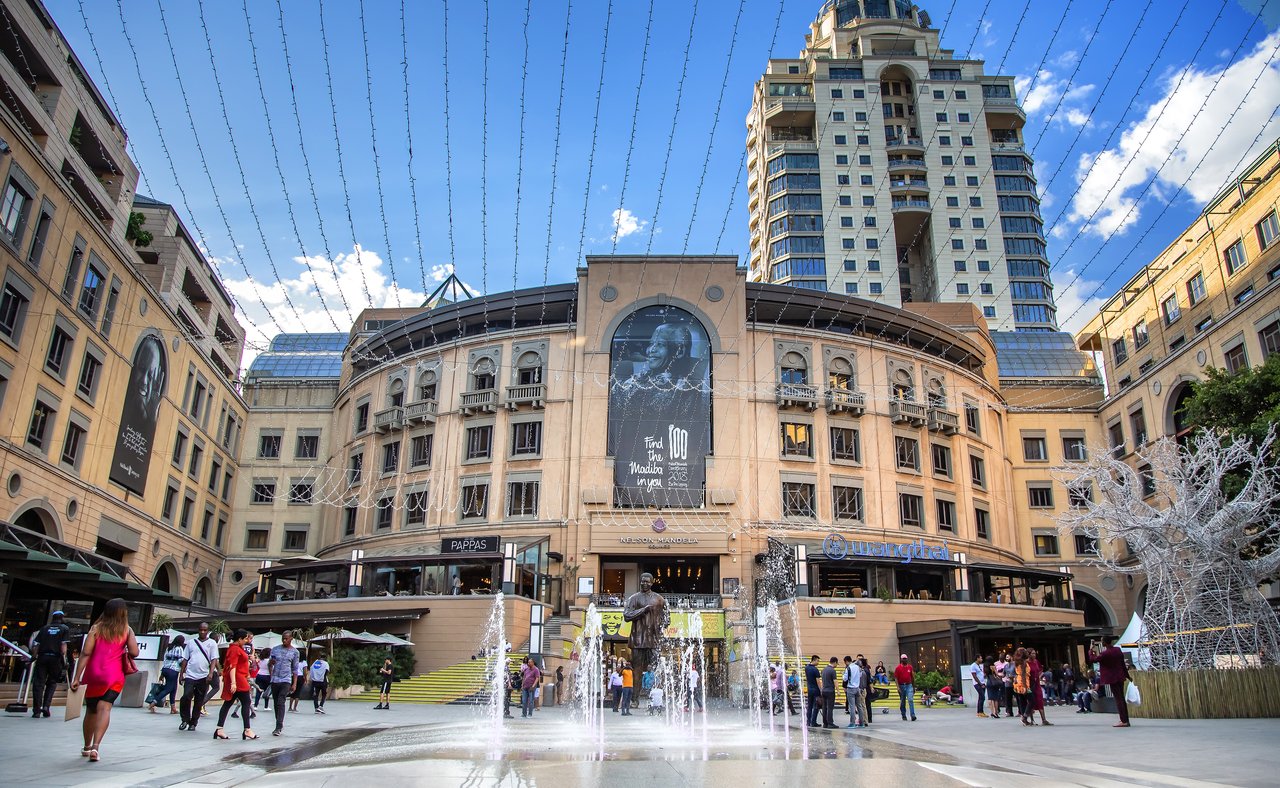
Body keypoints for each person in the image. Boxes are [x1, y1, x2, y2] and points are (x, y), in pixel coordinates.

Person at [69, 598, 138, 763]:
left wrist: (77, 677)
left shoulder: (96, 629)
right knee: (105, 709)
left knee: (91, 710)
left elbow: (85, 653)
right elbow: (134, 652)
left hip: (93, 675)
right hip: (113, 676)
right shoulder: (127, 630)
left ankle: (86, 747)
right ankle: (96, 747)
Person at [214, 629, 258, 741]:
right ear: (240, 639)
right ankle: (247, 729)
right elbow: (232, 666)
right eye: (246, 638)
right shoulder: (234, 649)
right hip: (238, 679)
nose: (247, 640)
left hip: (239, 678)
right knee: (246, 702)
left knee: (228, 703)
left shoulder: (236, 648)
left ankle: (220, 729)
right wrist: (234, 682)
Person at [622, 573, 668, 682]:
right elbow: (627, 615)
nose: (644, 584)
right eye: (642, 581)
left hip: (653, 639)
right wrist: (643, 610)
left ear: (652, 583)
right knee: (637, 669)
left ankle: (657, 695)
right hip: (638, 639)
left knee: (657, 666)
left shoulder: (659, 599)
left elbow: (667, 619)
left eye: (647, 581)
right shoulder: (634, 598)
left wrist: (659, 626)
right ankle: (635, 698)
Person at [29, 610, 70, 719]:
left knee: (38, 683)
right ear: (61, 618)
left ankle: (36, 710)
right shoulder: (64, 629)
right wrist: (65, 661)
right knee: (52, 683)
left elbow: (36, 644)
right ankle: (46, 706)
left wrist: (34, 656)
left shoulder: (44, 628)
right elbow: (63, 646)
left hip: (42, 657)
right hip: (55, 659)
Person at [179, 622, 219, 732]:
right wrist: (181, 673)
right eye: (201, 630)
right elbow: (185, 659)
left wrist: (211, 673)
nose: (202, 632)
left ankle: (193, 722)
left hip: (203, 676)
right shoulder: (191, 643)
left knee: (199, 700)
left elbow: (214, 659)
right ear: (198, 630)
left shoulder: (212, 643)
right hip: (191, 675)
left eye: (205, 630)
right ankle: (184, 719)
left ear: (208, 631)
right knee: (186, 696)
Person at [1088, 635, 1131, 728]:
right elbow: (1122, 664)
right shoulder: (1117, 650)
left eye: (1102, 641)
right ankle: (1125, 719)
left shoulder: (1105, 654)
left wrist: (1091, 650)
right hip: (1120, 676)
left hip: (1112, 678)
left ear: (1104, 643)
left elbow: (1093, 659)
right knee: (1121, 698)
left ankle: (1123, 721)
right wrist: (1127, 675)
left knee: (1118, 699)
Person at [267, 630, 300, 736]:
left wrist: (294, 684)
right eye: (283, 638)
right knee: (276, 703)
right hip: (275, 680)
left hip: (286, 680)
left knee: (281, 701)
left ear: (291, 639)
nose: (284, 640)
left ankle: (278, 726)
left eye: (286, 638)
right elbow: (269, 665)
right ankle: (279, 722)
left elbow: (295, 669)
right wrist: (270, 667)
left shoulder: (295, 652)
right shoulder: (275, 649)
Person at [148, 635, 184, 714]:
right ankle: (153, 702)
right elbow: (181, 661)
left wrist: (162, 674)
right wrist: (184, 670)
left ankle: (173, 708)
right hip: (173, 671)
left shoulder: (169, 648)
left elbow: (165, 661)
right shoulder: (180, 649)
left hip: (165, 669)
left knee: (174, 688)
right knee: (169, 688)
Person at [1012, 648, 1033, 725]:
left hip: (1017, 683)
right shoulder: (1023, 663)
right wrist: (1025, 687)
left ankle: (1024, 717)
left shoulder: (1017, 662)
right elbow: (1024, 675)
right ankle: (1025, 716)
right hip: (1024, 683)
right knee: (1031, 700)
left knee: (1022, 701)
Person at [894, 654, 917, 721]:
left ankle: (913, 715)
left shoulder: (910, 667)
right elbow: (896, 678)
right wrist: (898, 687)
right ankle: (903, 714)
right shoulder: (898, 668)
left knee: (910, 699)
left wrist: (913, 686)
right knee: (902, 701)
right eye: (903, 658)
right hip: (901, 685)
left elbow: (912, 677)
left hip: (909, 685)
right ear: (901, 659)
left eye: (905, 658)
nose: (905, 660)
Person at [845, 657, 865, 728]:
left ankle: (852, 723)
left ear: (847, 661)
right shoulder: (858, 668)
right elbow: (860, 675)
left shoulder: (848, 668)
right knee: (859, 706)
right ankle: (862, 722)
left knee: (852, 706)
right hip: (857, 688)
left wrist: (843, 675)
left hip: (851, 688)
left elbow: (845, 678)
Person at [820, 657, 838, 729]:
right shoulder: (832, 671)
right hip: (830, 691)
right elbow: (835, 681)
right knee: (830, 707)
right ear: (835, 662)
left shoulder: (823, 670)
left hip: (824, 690)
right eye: (837, 663)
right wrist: (838, 690)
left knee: (824, 707)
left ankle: (825, 723)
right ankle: (830, 723)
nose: (837, 665)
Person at [804, 655, 822, 728]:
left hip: (809, 689)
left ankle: (808, 721)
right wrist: (820, 690)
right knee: (816, 706)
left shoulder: (806, 668)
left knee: (809, 706)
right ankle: (813, 722)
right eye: (817, 661)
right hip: (815, 689)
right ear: (814, 660)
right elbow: (818, 681)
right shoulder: (815, 670)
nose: (818, 662)